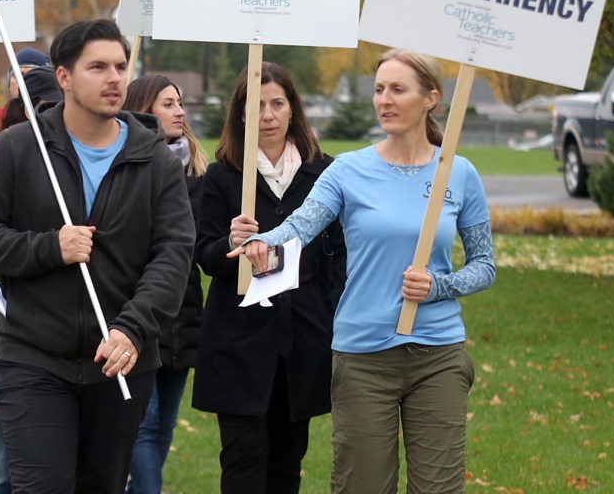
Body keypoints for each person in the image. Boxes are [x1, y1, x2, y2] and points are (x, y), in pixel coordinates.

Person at [230, 49, 496, 493]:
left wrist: (439, 286)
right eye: (378, 89)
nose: (384, 100)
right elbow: (303, 223)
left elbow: (485, 266)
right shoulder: (348, 169)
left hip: (438, 356)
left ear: (430, 98)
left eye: (397, 89)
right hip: (362, 358)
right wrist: (263, 240)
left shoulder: (460, 174)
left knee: (439, 489)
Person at [0, 19, 195, 493]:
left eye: (121, 67)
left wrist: (134, 327)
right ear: (63, 78)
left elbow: (173, 255)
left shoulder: (155, 159)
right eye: (98, 67)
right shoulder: (21, 147)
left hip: (121, 363)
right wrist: (48, 247)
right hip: (33, 359)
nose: (114, 79)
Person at [191, 63, 347, 494]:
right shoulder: (224, 176)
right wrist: (230, 242)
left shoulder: (324, 174)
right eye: (257, 106)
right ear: (241, 114)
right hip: (239, 342)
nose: (268, 115)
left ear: (293, 110)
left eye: (278, 104)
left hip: (303, 337)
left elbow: (340, 254)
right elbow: (204, 255)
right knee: (243, 463)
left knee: (286, 463)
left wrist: (329, 309)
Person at [121, 75, 207, 494]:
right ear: (142, 109)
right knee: (143, 424)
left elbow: (197, 246)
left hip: (182, 313)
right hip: (135, 312)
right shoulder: (126, 170)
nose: (180, 112)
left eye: (180, 103)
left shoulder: (196, 171)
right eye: (168, 104)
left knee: (164, 425)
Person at [0, 47, 52, 125]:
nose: (25, 81)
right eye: (19, 76)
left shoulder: (57, 116)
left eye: (32, 76)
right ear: (9, 84)